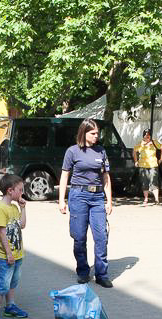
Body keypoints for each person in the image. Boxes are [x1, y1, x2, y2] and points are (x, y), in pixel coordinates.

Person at [58, 119, 114, 288]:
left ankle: (101, 274)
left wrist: (109, 200)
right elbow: (64, 176)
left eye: (98, 133)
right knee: (79, 237)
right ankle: (83, 271)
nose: (97, 136)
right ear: (84, 133)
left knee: (101, 236)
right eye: (93, 133)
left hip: (97, 197)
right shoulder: (72, 151)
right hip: (78, 196)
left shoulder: (101, 151)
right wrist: (61, 200)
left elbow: (106, 177)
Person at [0, 174, 28, 319]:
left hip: (18, 254)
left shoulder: (13, 207)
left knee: (13, 281)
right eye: (20, 190)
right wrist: (9, 253)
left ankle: (10, 306)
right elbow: (2, 232)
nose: (22, 193)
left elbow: (22, 225)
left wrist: (23, 208)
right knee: (3, 283)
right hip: (6, 255)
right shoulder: (0, 209)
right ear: (10, 191)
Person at [132, 129, 162, 205]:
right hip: (143, 166)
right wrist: (136, 161)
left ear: (150, 135)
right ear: (143, 135)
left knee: (154, 182)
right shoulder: (140, 143)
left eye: (148, 134)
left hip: (153, 165)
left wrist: (161, 159)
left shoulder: (154, 142)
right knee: (144, 182)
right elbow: (134, 152)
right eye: (146, 134)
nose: (147, 136)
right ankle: (146, 199)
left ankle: (156, 199)